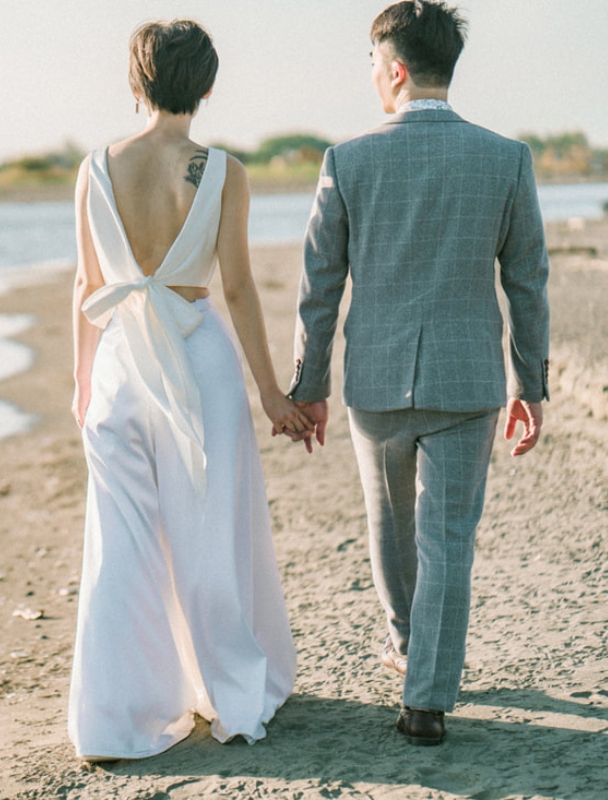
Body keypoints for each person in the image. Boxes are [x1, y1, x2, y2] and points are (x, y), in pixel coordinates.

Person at [288, 0, 550, 746]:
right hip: (470, 381)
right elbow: (528, 281)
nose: (371, 76)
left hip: (375, 377)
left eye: (373, 63)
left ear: (395, 70)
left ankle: (411, 653)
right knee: (447, 539)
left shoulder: (347, 159)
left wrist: (309, 387)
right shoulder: (507, 158)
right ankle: (425, 694)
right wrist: (532, 384)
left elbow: (319, 286)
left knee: (392, 528)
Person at [68, 19, 306, 762]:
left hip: (117, 365)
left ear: (134, 83)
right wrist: (271, 390)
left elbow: (87, 284)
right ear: (205, 88)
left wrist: (82, 382)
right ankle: (228, 692)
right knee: (209, 541)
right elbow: (234, 285)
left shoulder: (94, 168)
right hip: (197, 361)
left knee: (121, 546)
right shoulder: (222, 170)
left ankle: (116, 720)